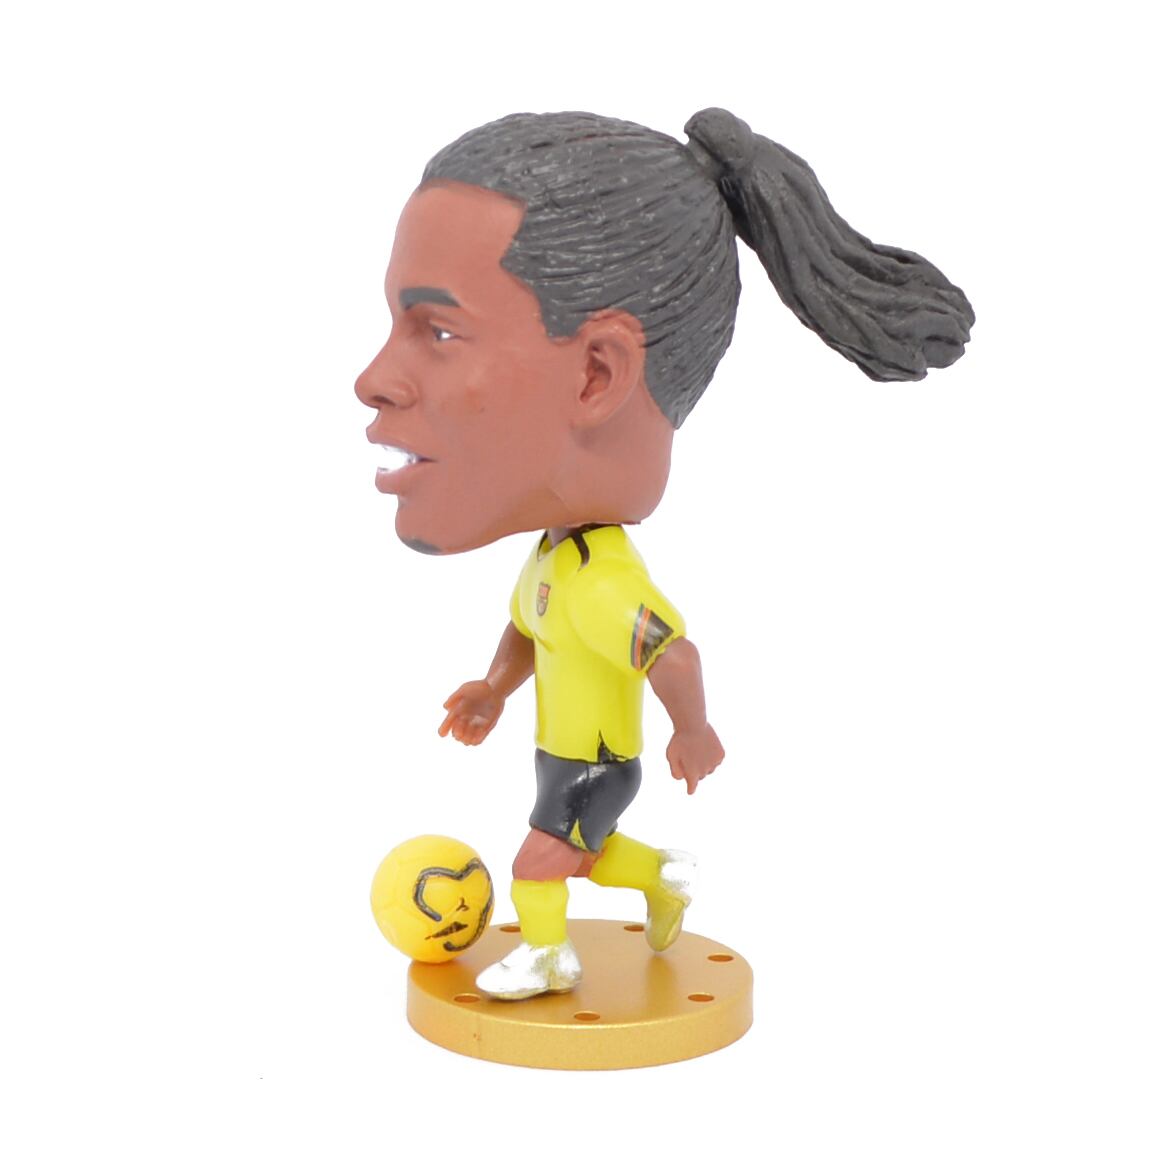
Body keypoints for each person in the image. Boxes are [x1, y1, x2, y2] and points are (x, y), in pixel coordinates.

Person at [355, 108, 973, 999]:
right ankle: (662, 876)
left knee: (540, 862)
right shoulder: (555, 564)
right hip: (564, 754)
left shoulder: (603, 581)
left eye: (439, 331)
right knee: (588, 853)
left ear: (597, 373)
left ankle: (549, 955)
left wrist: (693, 729)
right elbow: (529, 628)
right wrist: (493, 686)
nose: (371, 378)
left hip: (598, 760)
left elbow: (670, 652)